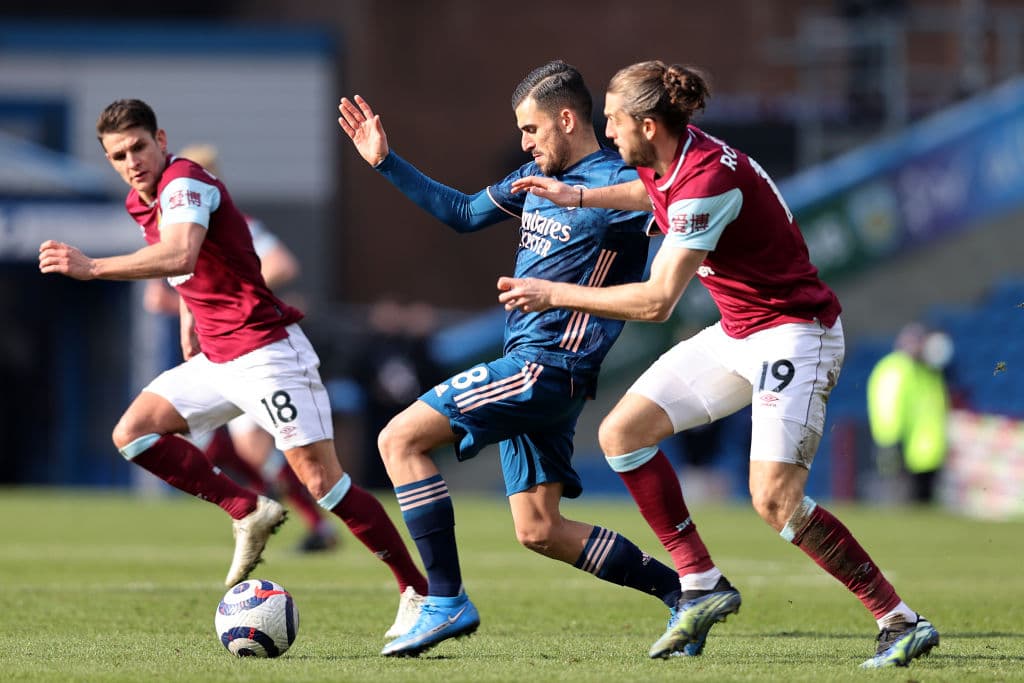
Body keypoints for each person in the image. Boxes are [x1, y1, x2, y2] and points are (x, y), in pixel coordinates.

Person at [498, 60, 939, 668]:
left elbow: (655, 302)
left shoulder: (705, 180)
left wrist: (555, 293)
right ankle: (701, 583)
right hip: (740, 331)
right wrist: (576, 194)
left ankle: (900, 620)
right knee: (623, 434)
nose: (608, 133)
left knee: (774, 499)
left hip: (794, 335)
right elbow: (647, 192)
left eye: (614, 121)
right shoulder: (673, 157)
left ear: (647, 125)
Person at [337, 60, 688, 658]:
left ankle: (444, 599)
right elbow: (463, 213)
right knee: (540, 530)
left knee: (399, 439)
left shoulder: (615, 183)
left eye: (531, 130)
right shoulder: (533, 179)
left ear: (567, 119)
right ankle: (687, 594)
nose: (524, 143)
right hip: (537, 367)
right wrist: (384, 161)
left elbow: (681, 206)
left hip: (546, 366)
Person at [38, 99, 426, 638]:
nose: (131, 161)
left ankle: (418, 592)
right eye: (118, 155)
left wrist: (93, 265)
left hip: (268, 353)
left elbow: (180, 253)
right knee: (133, 433)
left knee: (323, 483)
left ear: (161, 139)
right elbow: (185, 273)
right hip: (218, 358)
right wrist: (187, 321)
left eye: (139, 147)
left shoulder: (184, 180)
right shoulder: (140, 200)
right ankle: (246, 508)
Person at [144, 142, 338, 553]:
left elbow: (282, 264)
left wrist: (243, 297)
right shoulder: (179, 230)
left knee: (267, 450)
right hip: (209, 351)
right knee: (216, 444)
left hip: (251, 345)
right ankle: (268, 509)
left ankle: (306, 520)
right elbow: (159, 297)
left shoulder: (239, 224)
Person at [867, 323, 953, 504]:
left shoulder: (927, 371)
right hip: (902, 444)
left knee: (921, 503)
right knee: (901, 498)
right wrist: (891, 439)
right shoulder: (897, 368)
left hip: (926, 451)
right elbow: (888, 406)